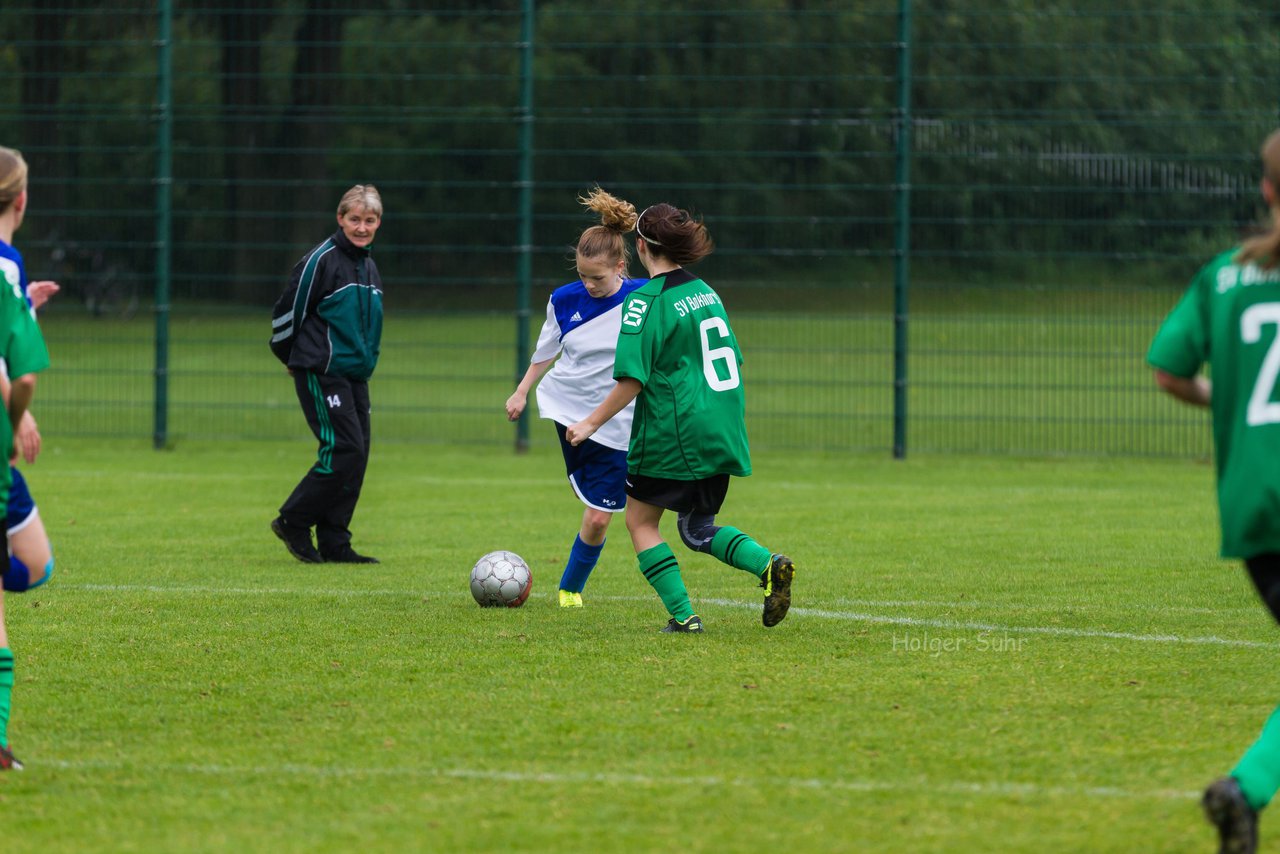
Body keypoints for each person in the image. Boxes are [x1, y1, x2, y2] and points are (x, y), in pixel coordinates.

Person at [566, 202, 795, 633]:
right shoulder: (707, 292)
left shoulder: (644, 303)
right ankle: (768, 565)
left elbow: (632, 379)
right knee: (696, 527)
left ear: (640, 247)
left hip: (675, 431)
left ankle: (684, 616)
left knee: (639, 521)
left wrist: (590, 423)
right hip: (722, 425)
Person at [1148, 128, 1280, 854]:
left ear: (1265, 190)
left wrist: (1222, 397)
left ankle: (1245, 793)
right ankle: (1242, 788)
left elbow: (1169, 373)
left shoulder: (1223, 276)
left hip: (1256, 510)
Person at [506, 188, 647, 608]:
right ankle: (571, 589)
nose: (588, 284)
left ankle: (569, 586)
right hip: (570, 409)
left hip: (621, 418)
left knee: (600, 516)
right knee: (599, 512)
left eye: (598, 278)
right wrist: (520, 391)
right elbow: (546, 352)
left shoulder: (644, 297)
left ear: (621, 266)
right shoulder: (564, 299)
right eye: (583, 275)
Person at [270, 185, 384, 564]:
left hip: (355, 375)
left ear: (378, 223)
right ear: (340, 218)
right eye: (355, 219)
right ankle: (293, 520)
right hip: (322, 371)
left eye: (369, 220)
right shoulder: (321, 260)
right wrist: (291, 357)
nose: (362, 227)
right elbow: (287, 312)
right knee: (344, 448)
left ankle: (336, 541)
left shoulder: (368, 266)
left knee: (358, 453)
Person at [0, 145, 54, 770]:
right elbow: (22, 375)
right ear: (21, 199)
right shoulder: (6, 263)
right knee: (32, 566)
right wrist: (16, 418)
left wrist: (28, 307)